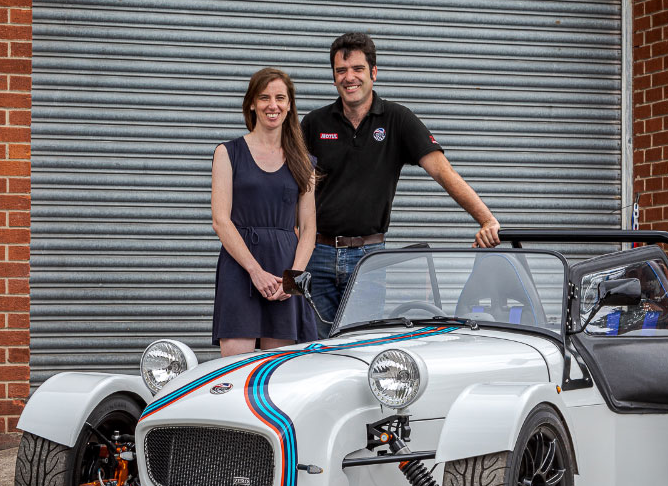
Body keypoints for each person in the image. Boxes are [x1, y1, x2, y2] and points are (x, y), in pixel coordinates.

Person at [301, 32, 501, 332]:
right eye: (341, 71)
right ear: (333, 77)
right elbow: (292, 189)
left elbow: (443, 172)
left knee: (359, 343)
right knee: (313, 347)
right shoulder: (315, 123)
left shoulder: (397, 120)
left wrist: (486, 220)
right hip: (317, 254)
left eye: (357, 69)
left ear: (374, 73)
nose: (349, 77)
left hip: (367, 259)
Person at [211, 68, 318, 356]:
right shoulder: (227, 153)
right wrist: (255, 271)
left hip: (286, 270)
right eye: (265, 98)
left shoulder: (303, 161)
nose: (273, 105)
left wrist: (293, 280)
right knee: (234, 371)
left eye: (280, 98)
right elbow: (221, 221)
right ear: (251, 104)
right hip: (240, 268)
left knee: (280, 372)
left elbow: (308, 229)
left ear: (290, 105)